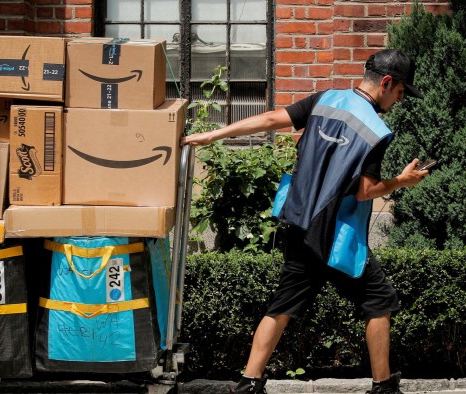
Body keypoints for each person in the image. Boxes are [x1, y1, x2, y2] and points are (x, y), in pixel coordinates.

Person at [180, 48, 426, 394]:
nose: (400, 99)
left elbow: (268, 120)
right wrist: (402, 181)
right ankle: (383, 387)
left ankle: (249, 383)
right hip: (335, 236)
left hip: (298, 223)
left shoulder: (326, 99)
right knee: (380, 300)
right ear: (386, 82)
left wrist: (211, 135)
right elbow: (365, 192)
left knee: (283, 305)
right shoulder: (377, 130)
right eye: (400, 91)